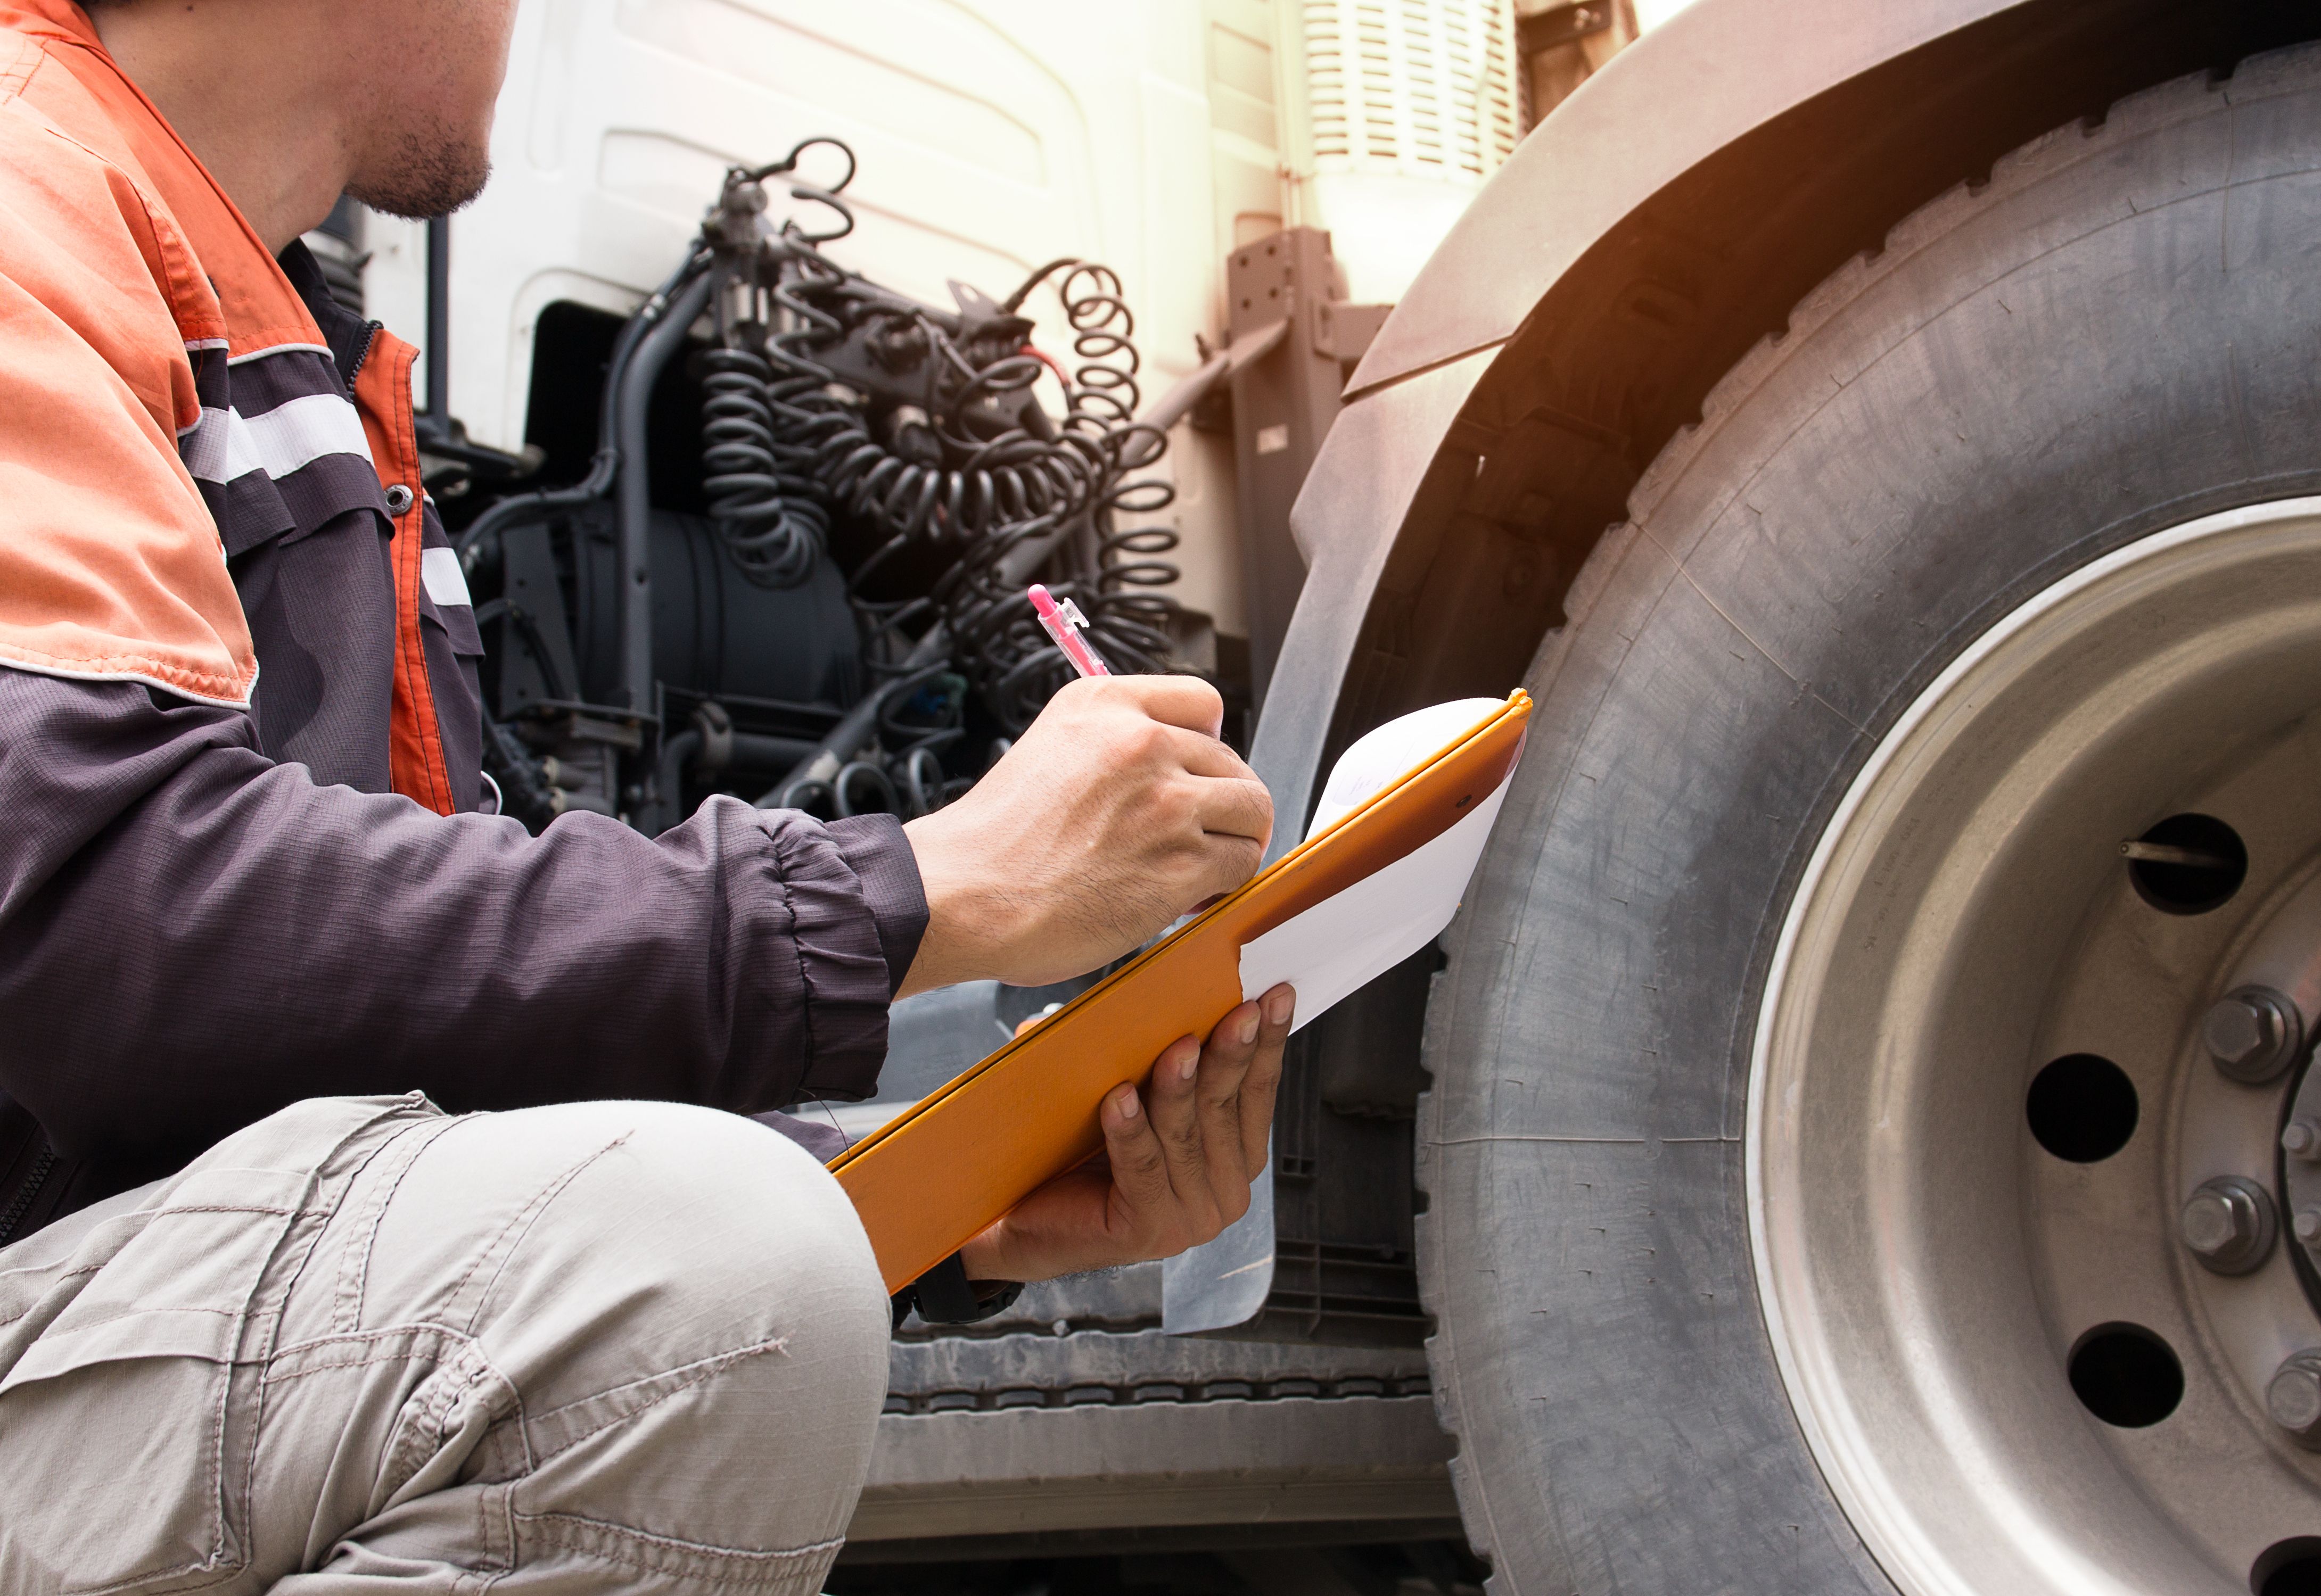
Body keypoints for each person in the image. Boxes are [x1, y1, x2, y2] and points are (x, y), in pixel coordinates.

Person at [0, 1, 1291, 1589]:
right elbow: (107, 918)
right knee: (711, 1282)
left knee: (736, 1248)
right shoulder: (25, 187)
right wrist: (922, 892)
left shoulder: (272, 332)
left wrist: (940, 1205)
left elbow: (386, 1051)